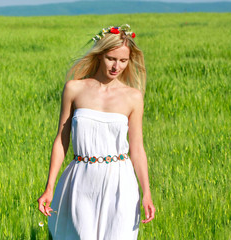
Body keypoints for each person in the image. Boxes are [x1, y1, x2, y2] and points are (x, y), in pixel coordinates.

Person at [37, 24, 155, 239]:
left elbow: (137, 148)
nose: (116, 66)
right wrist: (49, 187)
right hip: (81, 178)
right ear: (100, 55)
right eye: (111, 58)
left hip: (120, 181)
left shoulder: (133, 97)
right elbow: (62, 140)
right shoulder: (74, 88)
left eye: (123, 60)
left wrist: (146, 192)